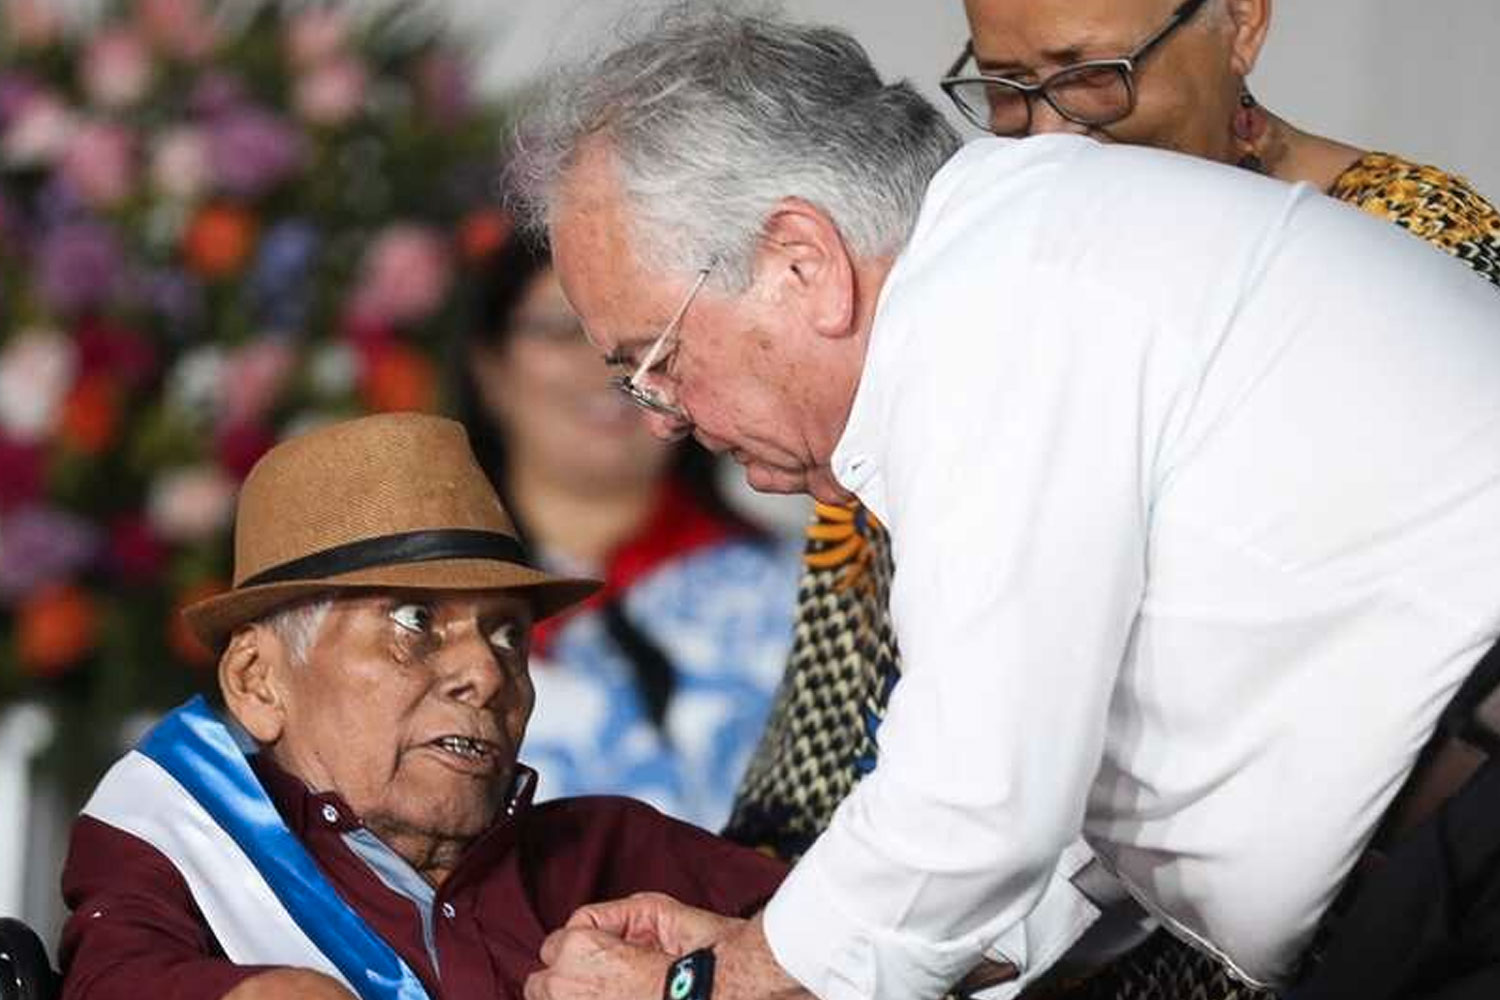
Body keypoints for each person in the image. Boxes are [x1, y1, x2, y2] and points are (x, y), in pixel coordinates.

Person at [507, 8, 1500, 1000]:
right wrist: (763, 947)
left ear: (803, 263)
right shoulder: (1004, 271)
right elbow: (1067, 826)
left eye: (655, 361)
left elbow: (979, 804)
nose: (660, 420)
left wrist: (709, 983)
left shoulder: (996, 297)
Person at [725, 0, 1500, 871]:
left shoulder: (1403, 244)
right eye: (1008, 89)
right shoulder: (972, 299)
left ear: (1240, 24)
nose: (1052, 132)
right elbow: (830, 730)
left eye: (1092, 76)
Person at [58, 412, 785, 1000]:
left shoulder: (614, 856)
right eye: (413, 622)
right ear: (258, 681)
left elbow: (872, 949)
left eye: (507, 634)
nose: (486, 672)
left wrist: (702, 984)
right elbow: (110, 979)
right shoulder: (181, 841)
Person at [457, 230, 797, 830]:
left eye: (637, 340)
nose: (602, 370)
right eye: (563, 332)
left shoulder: (804, 591)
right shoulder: (424, 604)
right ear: (490, 368)